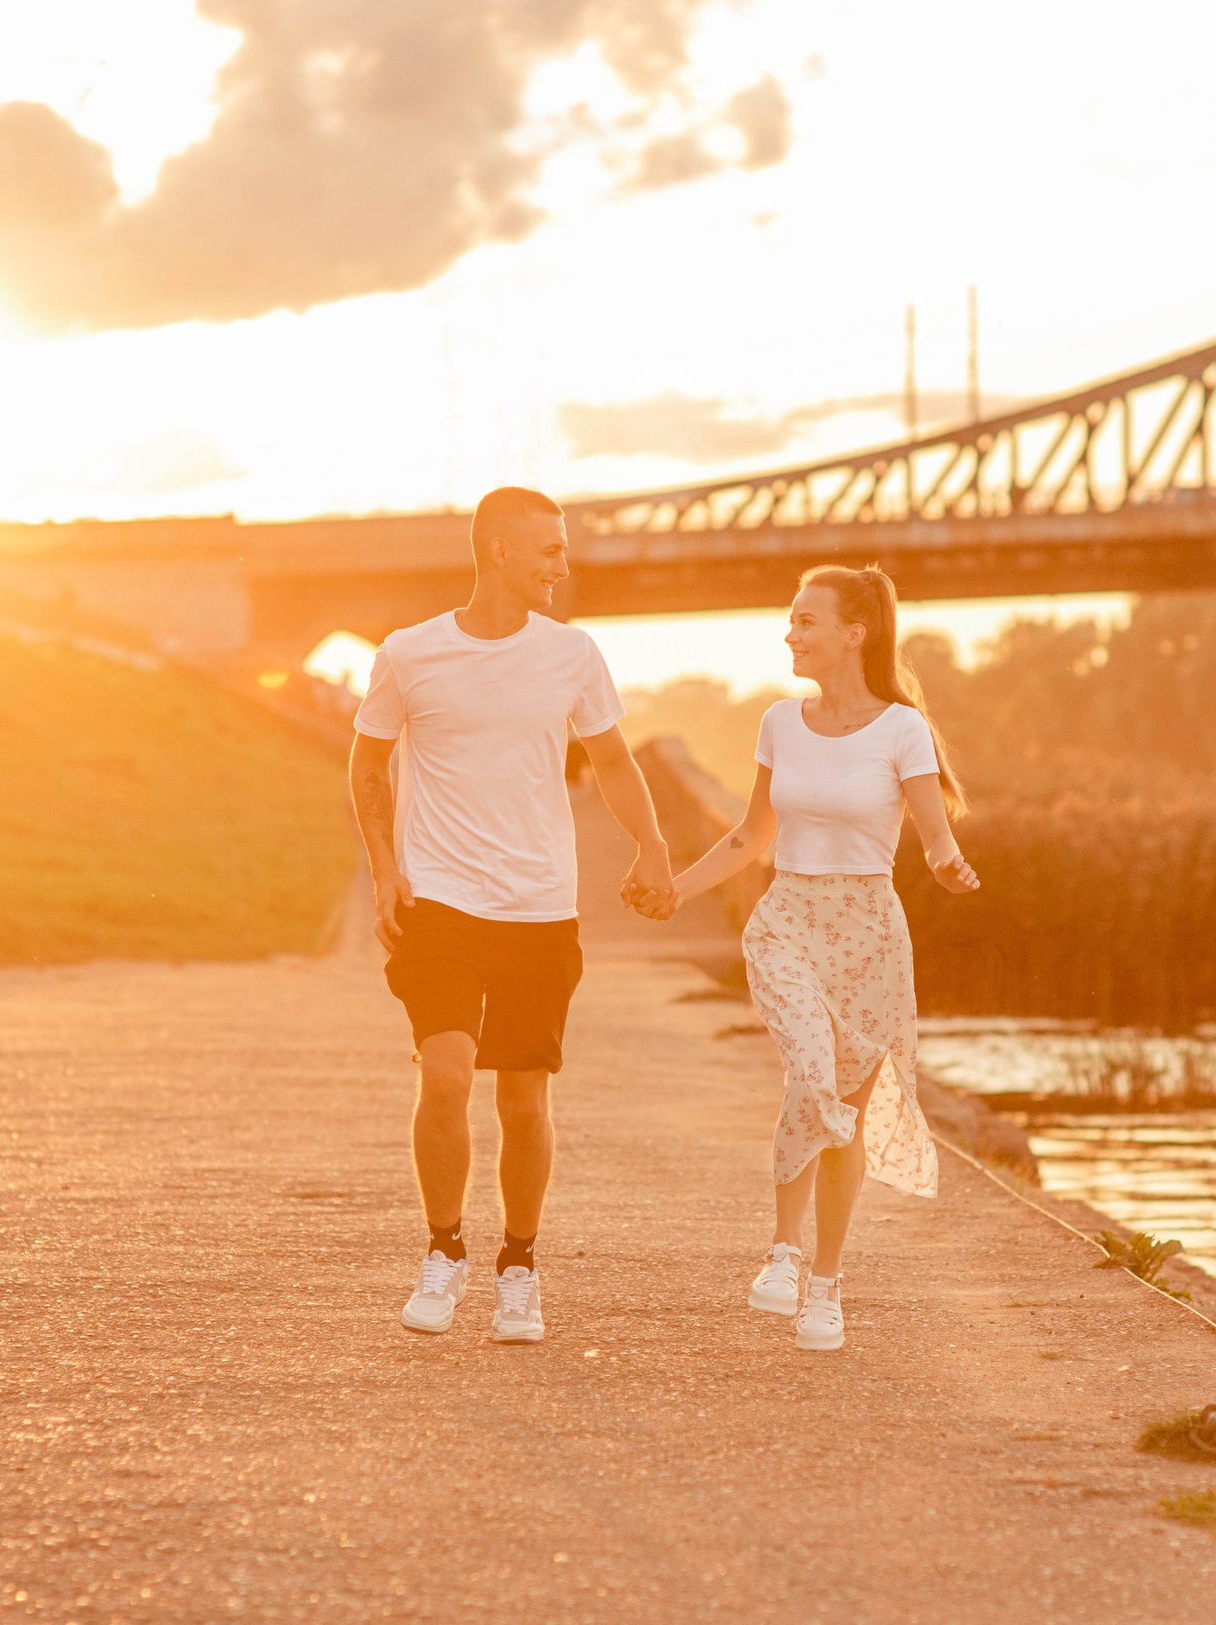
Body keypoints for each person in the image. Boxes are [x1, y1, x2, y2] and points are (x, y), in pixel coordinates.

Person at [350, 487, 677, 1345]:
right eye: (550, 551)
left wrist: (651, 845)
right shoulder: (410, 653)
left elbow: (611, 759)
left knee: (525, 1101)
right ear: (499, 550)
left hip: (539, 905)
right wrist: (385, 870)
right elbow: (368, 764)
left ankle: (520, 1266)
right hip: (441, 901)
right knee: (447, 1074)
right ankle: (444, 1247)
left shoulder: (573, 653)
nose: (563, 568)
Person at [646, 565, 978, 1351]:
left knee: (845, 1120)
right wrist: (675, 891)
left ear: (853, 633)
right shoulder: (779, 722)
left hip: (868, 931)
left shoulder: (903, 731)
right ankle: (783, 1254)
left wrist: (949, 866)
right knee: (810, 1073)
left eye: (805, 622)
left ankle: (826, 1285)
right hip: (789, 919)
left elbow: (936, 838)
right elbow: (749, 836)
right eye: (790, 621)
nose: (790, 634)